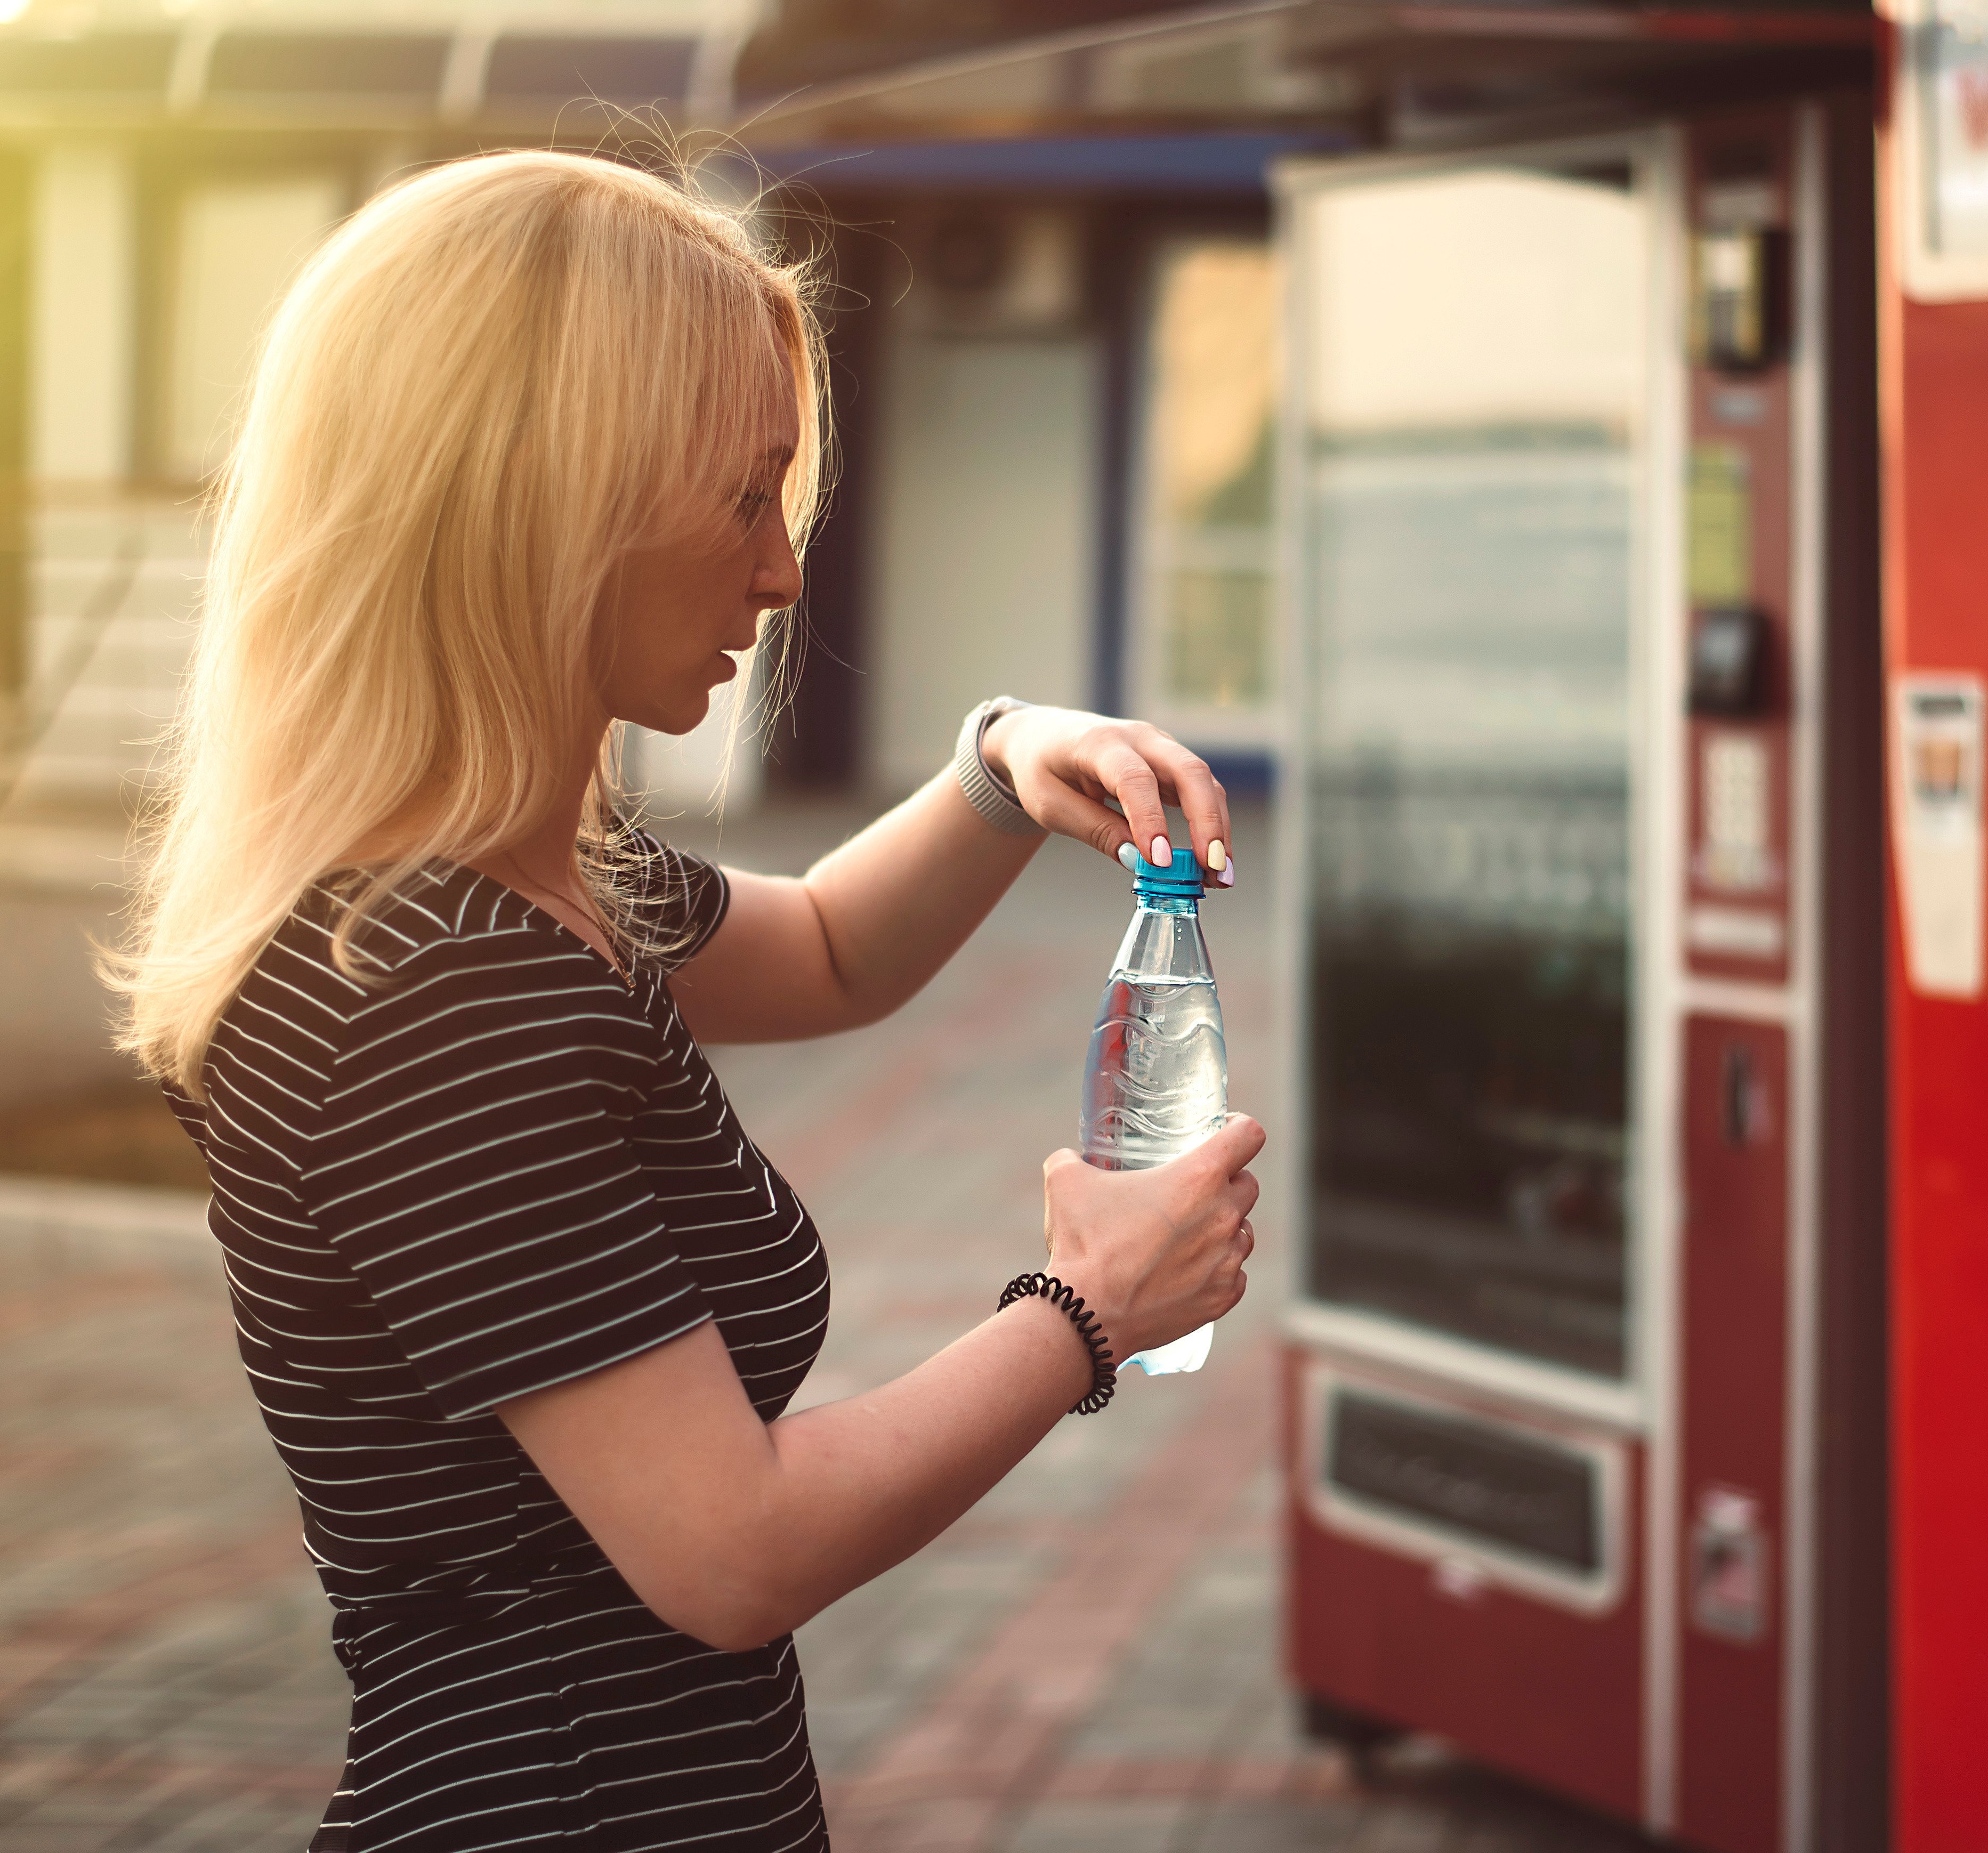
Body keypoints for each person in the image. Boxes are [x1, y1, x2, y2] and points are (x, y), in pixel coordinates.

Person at [111, 149, 1264, 1853]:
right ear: (536, 501)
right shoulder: (440, 986)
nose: (781, 574)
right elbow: (732, 1556)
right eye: (741, 501)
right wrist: (1084, 1313)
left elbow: (832, 952)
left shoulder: (508, 883)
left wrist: (1007, 763)